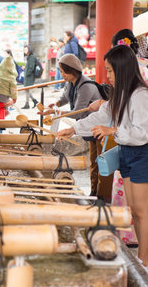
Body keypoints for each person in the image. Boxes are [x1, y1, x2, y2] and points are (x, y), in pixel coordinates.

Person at [58, 45, 148, 275]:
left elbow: (142, 133)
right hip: (128, 153)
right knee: (134, 211)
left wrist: (112, 131)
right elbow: (101, 115)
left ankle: (146, 261)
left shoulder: (141, 95)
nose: (107, 76)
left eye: (110, 71)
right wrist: (74, 129)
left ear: (123, 69)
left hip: (145, 154)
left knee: (143, 211)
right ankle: (144, 257)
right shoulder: (121, 93)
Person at [40, 54, 110, 201]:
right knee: (94, 162)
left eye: (64, 71)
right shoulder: (71, 83)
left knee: (100, 162)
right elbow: (65, 98)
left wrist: (54, 112)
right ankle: (94, 193)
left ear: (74, 70)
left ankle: (101, 195)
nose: (62, 75)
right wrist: (57, 104)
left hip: (99, 127)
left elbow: (77, 112)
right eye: (61, 71)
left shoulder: (86, 86)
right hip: (88, 127)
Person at [22, 44, 38, 109]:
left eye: (26, 49)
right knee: (27, 90)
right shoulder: (29, 57)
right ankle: (34, 101)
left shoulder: (31, 57)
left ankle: (27, 104)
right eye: (24, 49)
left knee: (27, 90)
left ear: (29, 49)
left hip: (29, 76)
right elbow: (29, 66)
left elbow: (31, 67)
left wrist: (27, 73)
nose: (25, 50)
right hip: (28, 76)